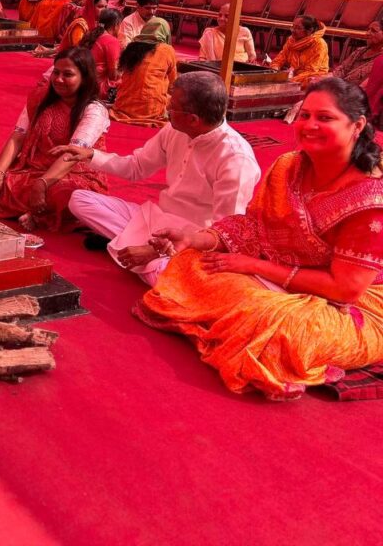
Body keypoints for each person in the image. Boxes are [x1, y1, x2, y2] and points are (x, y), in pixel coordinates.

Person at [136, 78, 383, 400]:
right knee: (192, 263)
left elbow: (344, 289)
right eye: (305, 115)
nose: (309, 125)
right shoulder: (288, 167)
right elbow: (254, 226)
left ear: (357, 125)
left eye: (325, 118)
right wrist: (197, 239)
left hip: (351, 305)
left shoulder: (370, 200)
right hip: (278, 278)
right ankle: (233, 322)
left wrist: (253, 266)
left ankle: (234, 324)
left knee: (276, 325)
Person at [61, 72, 260, 286]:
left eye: (172, 106)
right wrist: (91, 155)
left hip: (193, 239)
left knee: (163, 277)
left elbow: (223, 233)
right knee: (80, 200)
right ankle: (132, 250)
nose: (166, 109)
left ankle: (132, 249)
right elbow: (136, 167)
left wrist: (157, 251)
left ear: (193, 119)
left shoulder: (236, 159)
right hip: (157, 219)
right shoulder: (174, 131)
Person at [0, 47, 109, 232]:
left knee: (68, 195)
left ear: (84, 78)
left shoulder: (94, 110)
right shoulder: (40, 99)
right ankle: (33, 210)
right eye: (56, 72)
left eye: (68, 74)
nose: (59, 79)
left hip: (70, 175)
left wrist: (42, 184)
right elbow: (18, 137)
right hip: (31, 168)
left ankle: (24, 208)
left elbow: (71, 155)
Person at [109, 28, 178, 126]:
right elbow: (173, 85)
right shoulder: (167, 50)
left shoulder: (132, 46)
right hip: (151, 109)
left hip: (123, 105)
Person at [32, 0, 108, 59]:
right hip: (79, 55)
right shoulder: (80, 24)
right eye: (100, 6)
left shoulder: (102, 22)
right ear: (91, 7)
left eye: (105, 7)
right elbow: (77, 48)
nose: (104, 10)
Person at [270, 15, 329, 88]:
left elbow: (311, 71)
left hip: (311, 77)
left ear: (309, 30)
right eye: (293, 27)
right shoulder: (291, 40)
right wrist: (275, 70)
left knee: (311, 81)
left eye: (298, 28)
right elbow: (279, 60)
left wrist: (290, 79)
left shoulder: (319, 44)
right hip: (291, 74)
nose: (293, 30)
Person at [77, 7, 121, 99]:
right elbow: (113, 75)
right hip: (97, 88)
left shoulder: (90, 34)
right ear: (116, 25)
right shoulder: (111, 41)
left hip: (80, 82)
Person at [332, 19, 383, 86]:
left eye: (373, 31)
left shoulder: (381, 60)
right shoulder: (360, 51)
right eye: (368, 30)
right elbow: (342, 70)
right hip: (341, 87)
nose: (367, 33)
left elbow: (365, 86)